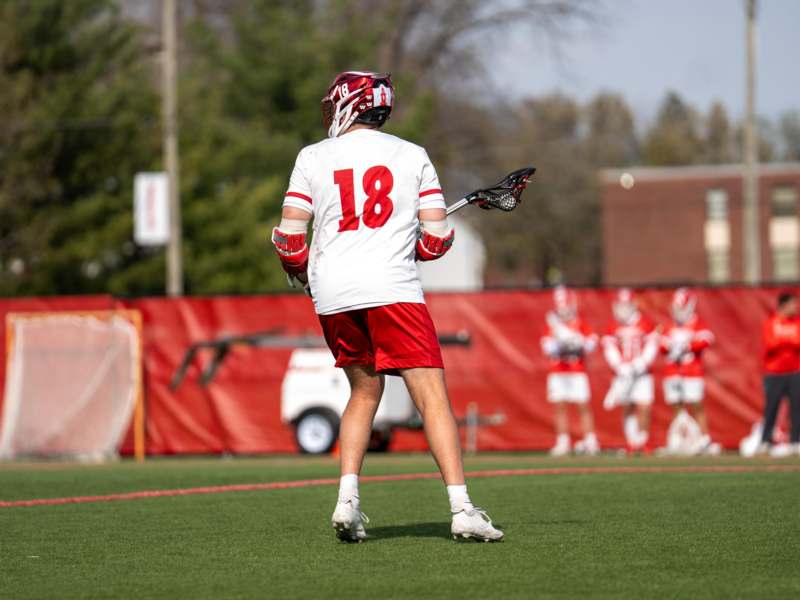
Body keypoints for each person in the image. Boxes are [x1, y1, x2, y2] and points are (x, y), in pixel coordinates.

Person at [271, 71, 503, 542]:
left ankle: (347, 503)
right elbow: (438, 240)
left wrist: (298, 271)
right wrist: (411, 247)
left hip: (333, 294)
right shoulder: (412, 155)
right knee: (431, 395)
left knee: (362, 392)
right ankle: (461, 508)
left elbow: (289, 237)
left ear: (346, 105)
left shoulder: (312, 157)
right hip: (393, 290)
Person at [540, 285, 600, 456]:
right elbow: (547, 347)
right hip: (558, 370)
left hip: (576, 369)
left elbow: (591, 343)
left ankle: (590, 440)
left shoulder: (579, 323)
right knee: (559, 406)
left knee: (583, 405)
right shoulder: (552, 324)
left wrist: (577, 341)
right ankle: (563, 440)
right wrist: (561, 343)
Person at [660, 288, 717, 454]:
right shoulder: (670, 325)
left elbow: (707, 339)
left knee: (696, 404)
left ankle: (704, 438)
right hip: (673, 372)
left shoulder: (697, 323)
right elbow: (661, 345)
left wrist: (687, 346)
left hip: (692, 371)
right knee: (677, 406)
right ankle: (681, 439)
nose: (679, 312)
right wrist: (671, 347)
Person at [601, 288, 659, 452]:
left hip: (642, 373)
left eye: (626, 306)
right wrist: (619, 366)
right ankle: (632, 441)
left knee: (644, 406)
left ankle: (643, 440)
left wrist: (641, 363)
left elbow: (651, 345)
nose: (623, 310)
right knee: (627, 406)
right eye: (620, 306)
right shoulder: (613, 325)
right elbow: (609, 347)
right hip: (622, 373)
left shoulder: (645, 323)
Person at [760, 291, 800, 456]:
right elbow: (770, 344)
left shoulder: (797, 322)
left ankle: (796, 441)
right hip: (774, 373)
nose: (796, 308)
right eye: (793, 304)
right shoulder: (771, 323)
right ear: (783, 305)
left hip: (795, 372)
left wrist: (783, 340)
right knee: (771, 409)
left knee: (797, 408)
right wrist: (789, 341)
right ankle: (765, 441)